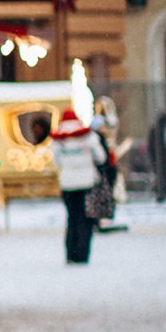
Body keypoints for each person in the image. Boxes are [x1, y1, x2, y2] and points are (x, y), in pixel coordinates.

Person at [50, 109, 104, 264]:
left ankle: (71, 253)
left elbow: (56, 161)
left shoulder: (58, 140)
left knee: (72, 218)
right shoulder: (88, 136)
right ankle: (82, 253)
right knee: (85, 218)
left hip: (67, 184)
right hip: (87, 183)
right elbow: (101, 157)